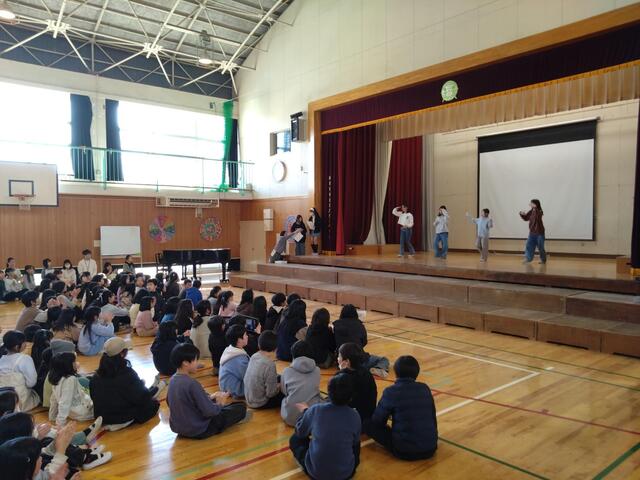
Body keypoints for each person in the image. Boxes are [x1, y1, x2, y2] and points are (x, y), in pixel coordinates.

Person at [166, 343, 249, 439]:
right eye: (195, 360)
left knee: (224, 405)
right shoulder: (191, 384)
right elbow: (210, 412)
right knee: (240, 407)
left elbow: (170, 402)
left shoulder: (172, 380)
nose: (197, 363)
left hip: (179, 428)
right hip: (199, 429)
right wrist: (220, 403)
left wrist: (210, 397)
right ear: (185, 363)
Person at [364, 355, 438, 460]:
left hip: (404, 451)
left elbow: (377, 421)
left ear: (396, 372)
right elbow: (432, 417)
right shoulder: (425, 388)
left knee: (367, 424)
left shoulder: (391, 391)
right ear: (416, 372)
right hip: (431, 448)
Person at [289, 374, 361, 480]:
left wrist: (306, 412)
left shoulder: (316, 410)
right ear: (351, 397)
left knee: (294, 439)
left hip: (316, 474)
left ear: (329, 392)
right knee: (355, 444)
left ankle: (312, 464)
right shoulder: (355, 415)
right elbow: (355, 443)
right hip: (345, 474)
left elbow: (300, 431)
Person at [90, 337, 162, 431]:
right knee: (153, 404)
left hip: (101, 416)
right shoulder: (127, 374)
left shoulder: (96, 377)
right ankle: (124, 422)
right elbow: (142, 398)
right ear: (122, 354)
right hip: (121, 416)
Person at [333, 304, 390, 377]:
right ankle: (378, 368)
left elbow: (334, 342)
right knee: (384, 359)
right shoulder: (359, 325)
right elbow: (364, 342)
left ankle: (345, 366)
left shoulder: (336, 325)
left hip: (342, 361)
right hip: (360, 360)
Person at [280, 340, 323, 426]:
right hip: (310, 416)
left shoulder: (287, 371)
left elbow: (284, 391)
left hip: (290, 417)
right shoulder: (317, 370)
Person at [335, 343, 377, 424]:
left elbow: (336, 400)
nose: (337, 358)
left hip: (350, 421)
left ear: (347, 361)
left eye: (339, 356)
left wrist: (342, 371)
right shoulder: (367, 373)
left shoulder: (341, 378)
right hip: (367, 417)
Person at [48, 352, 94, 426]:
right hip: (82, 412)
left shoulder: (56, 377)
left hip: (73, 411)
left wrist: (52, 416)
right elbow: (64, 403)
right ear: (68, 365)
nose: (76, 363)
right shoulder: (70, 379)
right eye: (74, 362)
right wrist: (60, 424)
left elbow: (54, 399)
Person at [243, 331, 283, 409]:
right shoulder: (269, 364)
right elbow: (271, 393)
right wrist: (280, 386)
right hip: (260, 402)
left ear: (259, 344)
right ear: (275, 348)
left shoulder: (254, 356)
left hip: (249, 398)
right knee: (287, 391)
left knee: (279, 377)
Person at [0, 331, 40, 411]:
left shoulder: (1, 359)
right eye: (24, 342)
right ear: (16, 346)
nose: (26, 344)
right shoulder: (25, 359)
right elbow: (31, 383)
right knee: (36, 396)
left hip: (3, 398)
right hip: (19, 399)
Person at [219, 325, 250, 399]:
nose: (247, 336)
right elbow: (249, 376)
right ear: (239, 340)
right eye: (245, 335)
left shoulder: (230, 349)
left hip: (226, 386)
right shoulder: (238, 358)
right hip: (235, 390)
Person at [520, 199, 547, 264]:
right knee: (529, 245)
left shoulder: (539, 211)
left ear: (535, 204)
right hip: (532, 233)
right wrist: (522, 214)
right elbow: (526, 218)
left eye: (531, 203)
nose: (530, 204)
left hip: (539, 233)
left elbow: (538, 216)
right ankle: (528, 259)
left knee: (540, 247)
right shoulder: (531, 211)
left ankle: (543, 260)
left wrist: (535, 208)